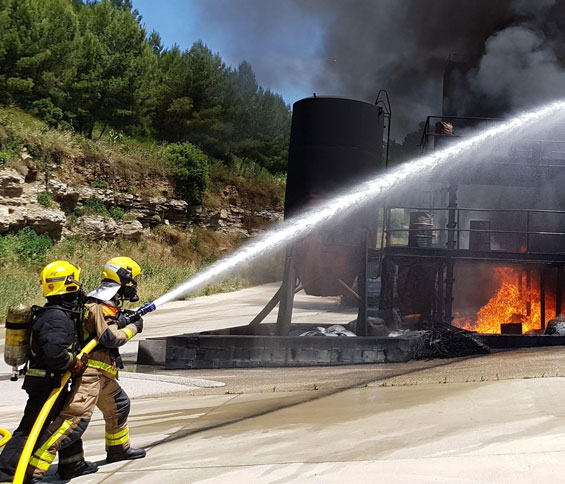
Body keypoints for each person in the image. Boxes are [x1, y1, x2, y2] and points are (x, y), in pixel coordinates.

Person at [26, 256, 146, 481]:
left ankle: (118, 449)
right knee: (72, 424)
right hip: (90, 374)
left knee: (119, 405)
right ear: (125, 279)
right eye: (133, 279)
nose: (134, 284)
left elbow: (106, 324)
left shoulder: (102, 300)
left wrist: (123, 319)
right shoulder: (100, 303)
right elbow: (110, 338)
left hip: (102, 374)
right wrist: (133, 327)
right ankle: (32, 470)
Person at [0, 261, 97, 482]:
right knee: (31, 428)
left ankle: (72, 464)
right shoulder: (56, 318)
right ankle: (6, 473)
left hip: (50, 380)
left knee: (65, 420)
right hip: (46, 382)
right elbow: (56, 355)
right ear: (69, 284)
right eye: (76, 281)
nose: (80, 286)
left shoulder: (59, 313)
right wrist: (74, 363)